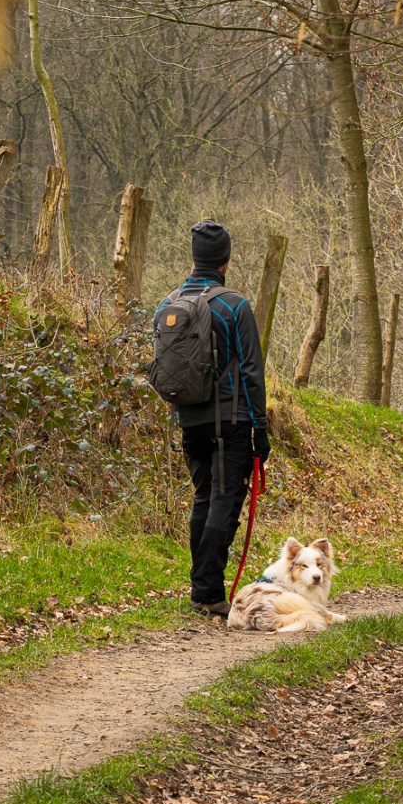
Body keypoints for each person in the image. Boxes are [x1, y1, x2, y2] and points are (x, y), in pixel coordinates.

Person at [159, 220, 270, 618]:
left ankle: (203, 588)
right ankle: (207, 593)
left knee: (205, 498)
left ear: (195, 256)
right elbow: (252, 373)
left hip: (189, 419)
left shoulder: (168, 303)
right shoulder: (234, 305)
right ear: (226, 258)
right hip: (231, 422)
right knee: (225, 500)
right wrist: (261, 428)